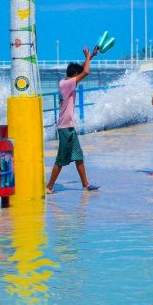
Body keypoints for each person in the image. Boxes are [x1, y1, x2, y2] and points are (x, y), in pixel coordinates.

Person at [47, 46, 100, 194]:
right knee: (61, 160)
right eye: (77, 76)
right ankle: (49, 186)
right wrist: (88, 58)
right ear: (74, 75)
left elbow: (82, 69)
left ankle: (86, 184)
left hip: (69, 127)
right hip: (64, 128)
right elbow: (86, 72)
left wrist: (91, 56)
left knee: (78, 156)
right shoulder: (67, 84)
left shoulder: (66, 82)